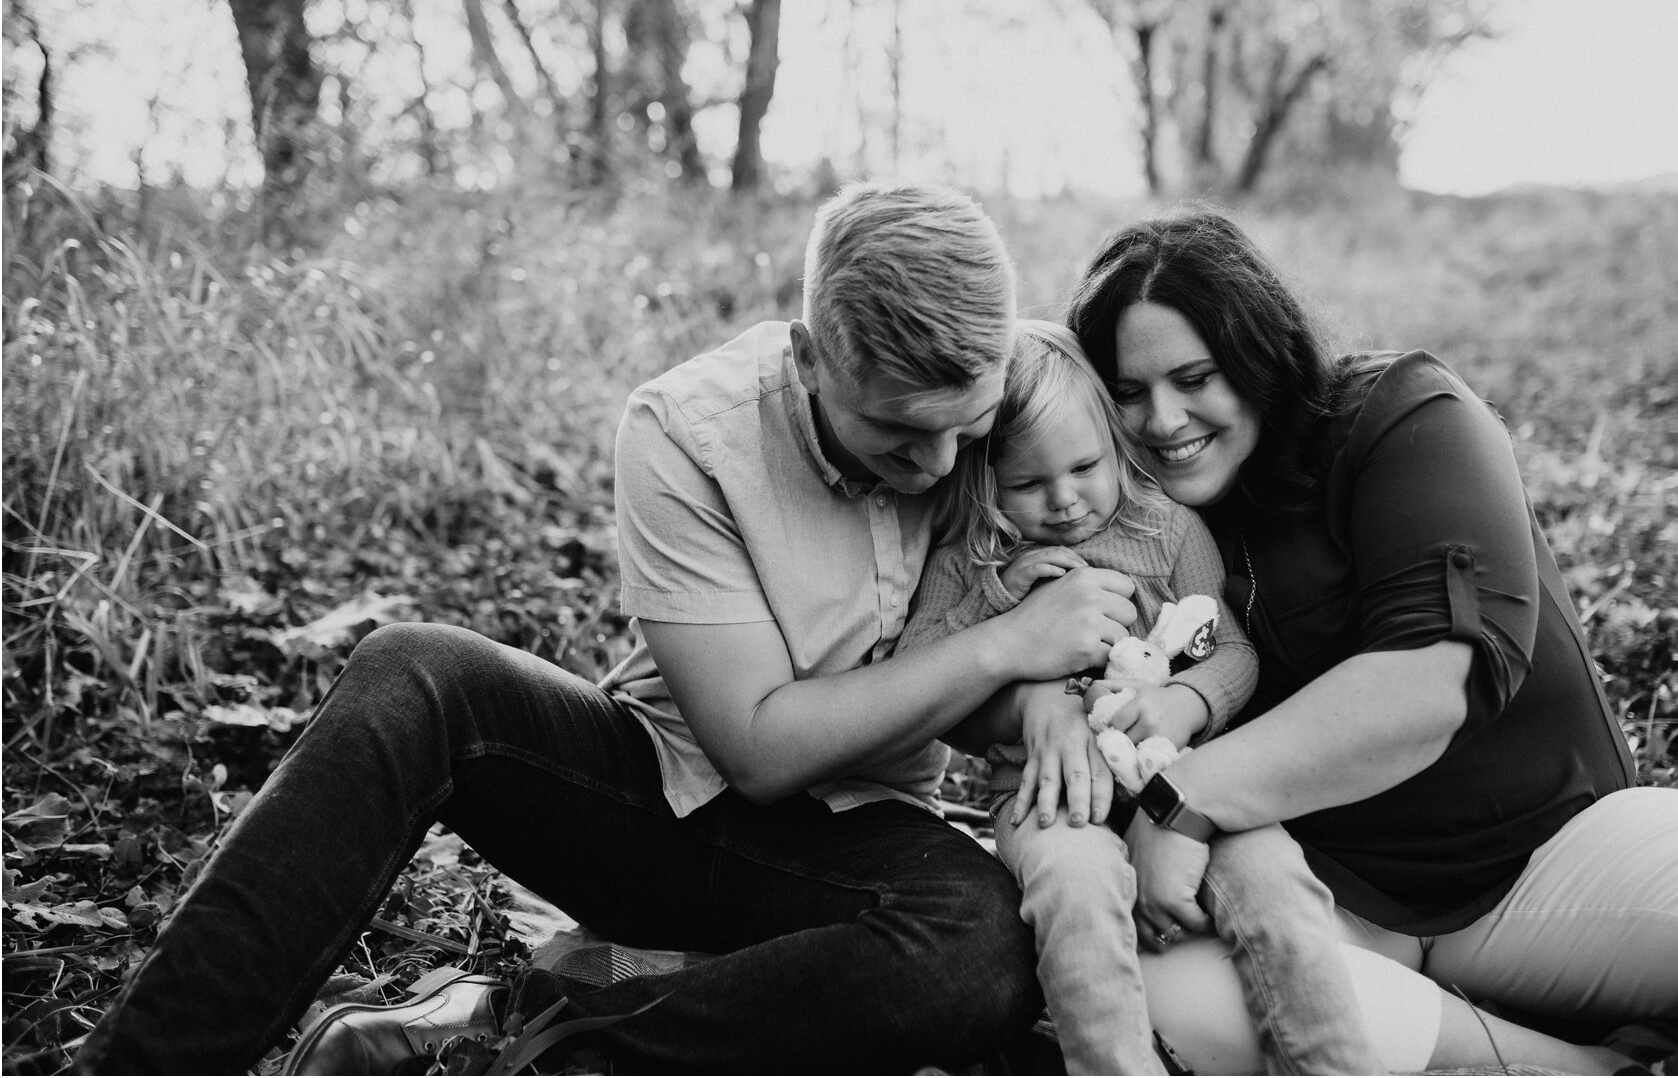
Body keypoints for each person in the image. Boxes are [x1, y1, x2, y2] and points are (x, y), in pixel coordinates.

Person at [75, 184, 1141, 1074]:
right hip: (658, 801)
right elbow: (760, 751)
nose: (942, 469)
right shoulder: (688, 430)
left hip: (860, 840)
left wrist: (1050, 682)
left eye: (968, 429)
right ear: (815, 356)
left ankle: (524, 1040)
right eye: (899, 435)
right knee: (415, 674)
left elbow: (1114, 566)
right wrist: (1005, 646)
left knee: (979, 950)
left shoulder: (1013, 395)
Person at [1054, 209, 1678, 1076]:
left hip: (1548, 858)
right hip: (1332, 901)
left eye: (1195, 377)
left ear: (1258, 354)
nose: (1162, 418)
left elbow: (1430, 684)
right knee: (1171, 996)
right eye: (1128, 393)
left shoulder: (1404, 418)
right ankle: (1580, 1066)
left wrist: (1183, 798)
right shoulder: (1128, 519)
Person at [894, 318, 1375, 1074]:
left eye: (1085, 466)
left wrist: (1187, 701)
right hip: (1049, 792)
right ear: (985, 481)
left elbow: (1232, 649)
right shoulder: (977, 558)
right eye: (1026, 483)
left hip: (1196, 775)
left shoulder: (1167, 530)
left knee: (1277, 891)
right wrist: (993, 604)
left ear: (1116, 445)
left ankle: (1332, 1063)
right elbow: (921, 683)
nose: (1064, 500)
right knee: (1075, 895)